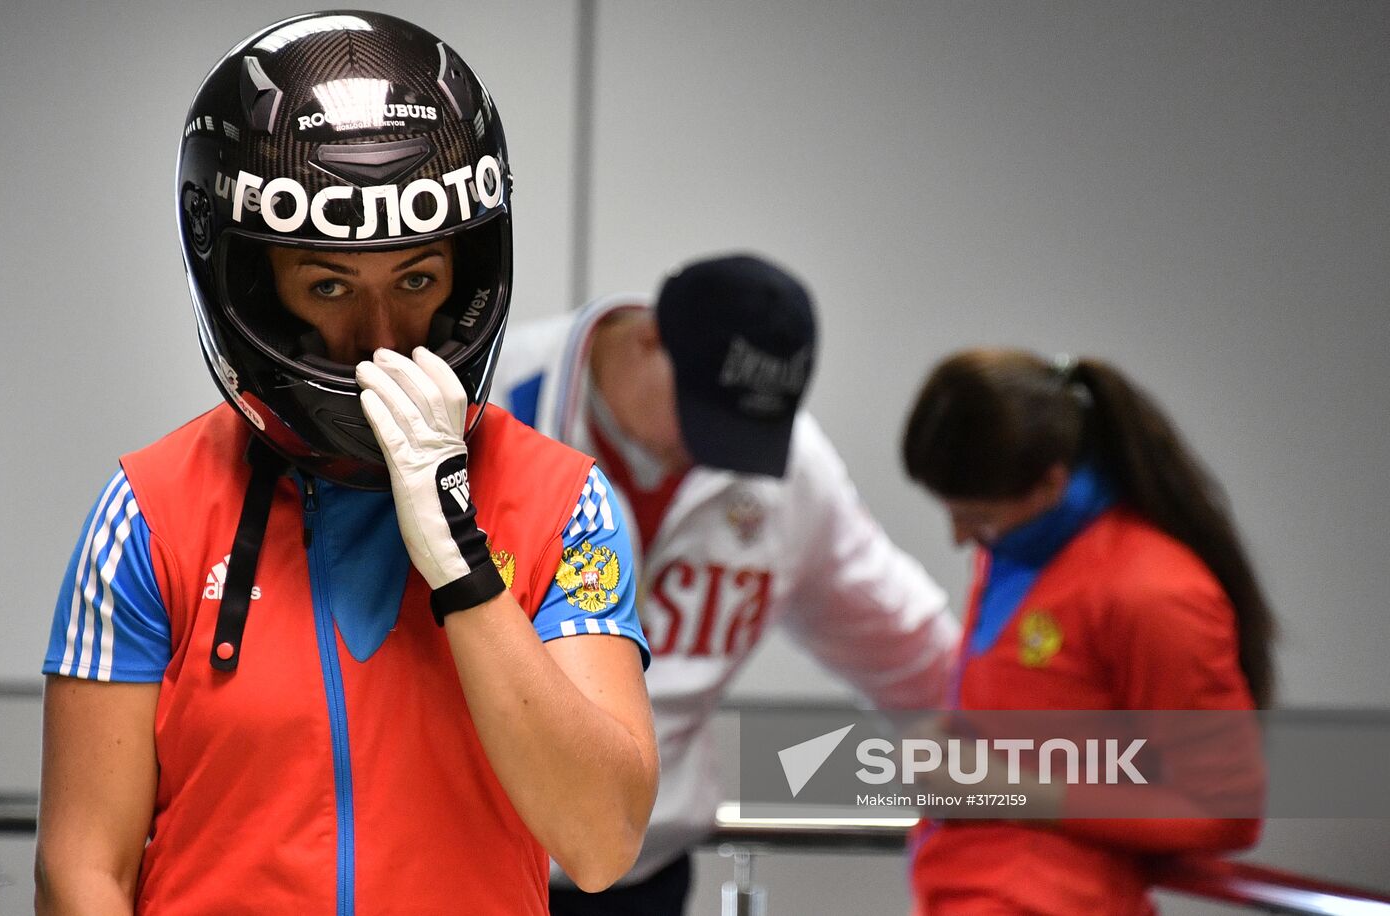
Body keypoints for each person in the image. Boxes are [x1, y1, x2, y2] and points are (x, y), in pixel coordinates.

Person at [35, 12, 657, 915]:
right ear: (258, 287)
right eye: (327, 286)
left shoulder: (566, 505)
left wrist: (462, 563)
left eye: (417, 281)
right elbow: (81, 871)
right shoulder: (148, 511)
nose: (379, 344)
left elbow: (601, 843)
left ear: (465, 275)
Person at [490, 253, 960, 913]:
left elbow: (903, 640)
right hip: (472, 861)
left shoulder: (790, 466)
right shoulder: (490, 394)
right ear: (649, 338)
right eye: (704, 414)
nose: (716, 451)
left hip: (638, 878)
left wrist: (1055, 766)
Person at [901, 348, 1275, 915]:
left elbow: (1224, 807)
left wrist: (1005, 788)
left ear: (1051, 485)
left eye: (976, 516)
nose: (959, 537)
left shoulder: (1153, 592)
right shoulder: (1013, 548)